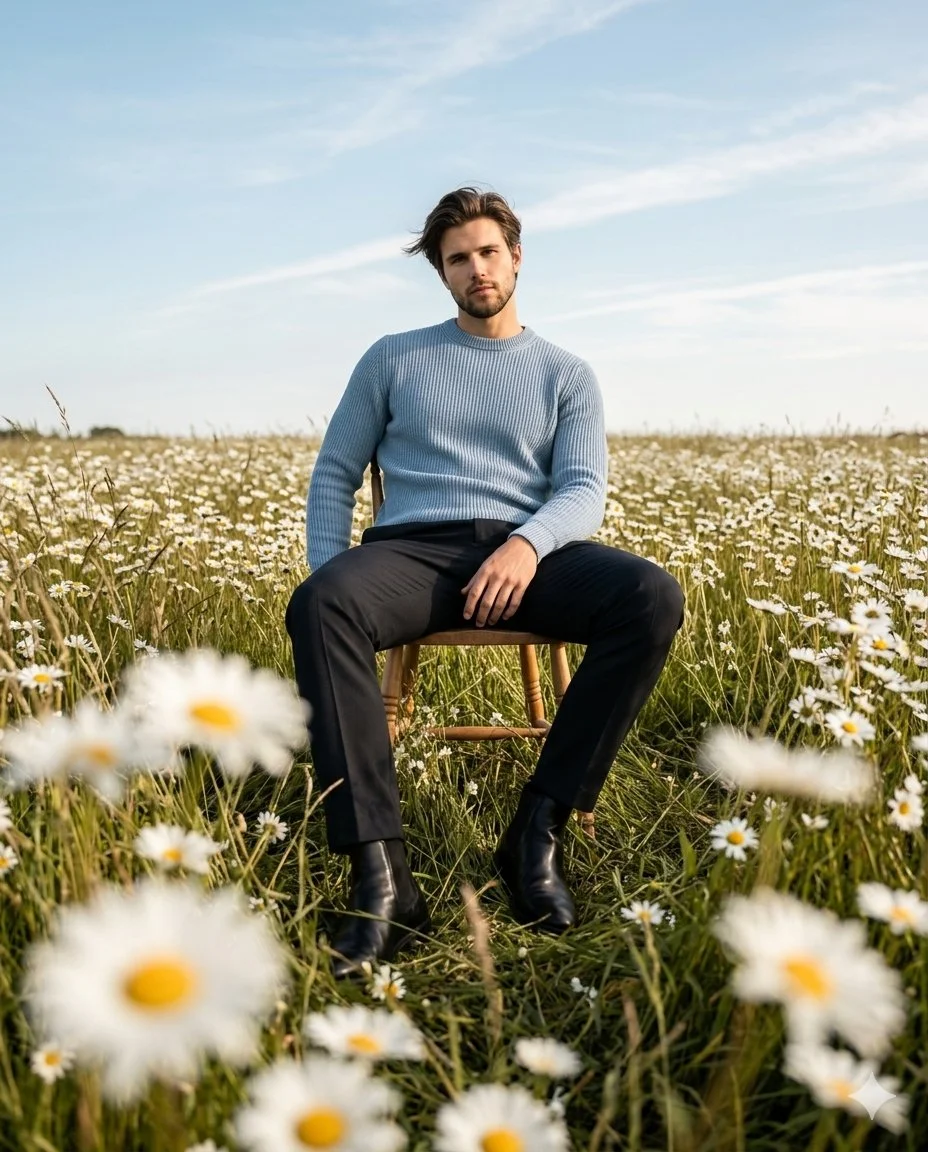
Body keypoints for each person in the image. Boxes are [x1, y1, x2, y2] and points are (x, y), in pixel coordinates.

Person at [285, 186, 685, 978]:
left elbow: (581, 490)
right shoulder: (393, 357)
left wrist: (528, 546)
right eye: (458, 258)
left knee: (651, 597)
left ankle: (536, 832)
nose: (477, 270)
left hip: (530, 555)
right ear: (442, 272)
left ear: (516, 256)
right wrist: (334, 567)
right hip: (413, 553)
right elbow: (334, 472)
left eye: (488, 252)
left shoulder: (567, 373)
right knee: (321, 603)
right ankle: (383, 880)